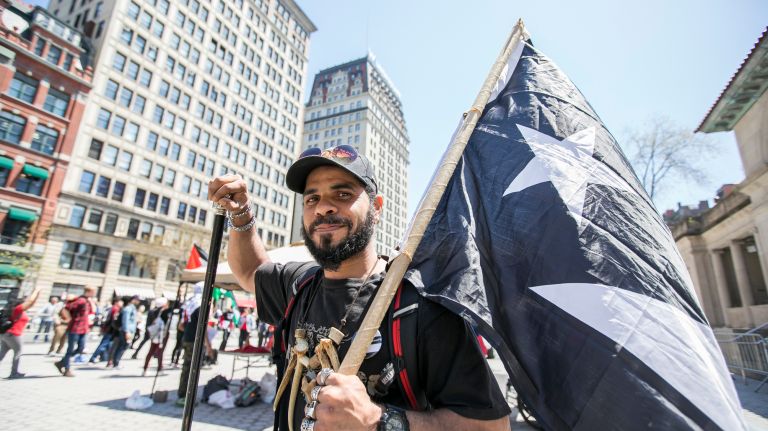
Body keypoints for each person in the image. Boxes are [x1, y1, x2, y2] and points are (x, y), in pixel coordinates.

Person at [209, 145, 511, 431]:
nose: (323, 207)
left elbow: (492, 426)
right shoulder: (298, 284)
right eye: (312, 198)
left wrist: (378, 421)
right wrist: (241, 215)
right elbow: (250, 271)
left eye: (342, 194)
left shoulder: (421, 306)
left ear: (376, 208)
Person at [55, 286, 97, 377]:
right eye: (93, 291)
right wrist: (68, 319)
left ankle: (62, 362)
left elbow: (92, 311)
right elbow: (66, 308)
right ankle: (67, 369)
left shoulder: (86, 300)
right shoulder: (81, 300)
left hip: (83, 328)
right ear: (89, 291)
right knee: (70, 349)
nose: (94, 293)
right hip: (75, 328)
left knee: (80, 349)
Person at [0, 287, 41, 378]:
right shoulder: (18, 309)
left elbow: (31, 303)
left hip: (6, 334)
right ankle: (14, 373)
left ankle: (14, 372)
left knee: (2, 353)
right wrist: (36, 291)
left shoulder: (14, 310)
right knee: (18, 352)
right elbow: (30, 302)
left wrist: (37, 294)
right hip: (14, 334)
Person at [88, 298, 122, 364]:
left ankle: (104, 357)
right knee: (104, 344)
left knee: (107, 344)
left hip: (108, 328)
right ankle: (93, 358)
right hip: (111, 329)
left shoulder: (111, 308)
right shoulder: (115, 309)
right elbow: (114, 320)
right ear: (116, 302)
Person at [142, 297, 170, 376]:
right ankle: (160, 369)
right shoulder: (164, 312)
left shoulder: (152, 311)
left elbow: (148, 324)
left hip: (154, 334)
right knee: (160, 352)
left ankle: (145, 369)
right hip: (161, 334)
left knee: (151, 351)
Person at [111, 295, 139, 368]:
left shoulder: (132, 309)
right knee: (122, 346)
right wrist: (127, 332)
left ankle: (116, 362)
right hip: (125, 331)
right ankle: (116, 363)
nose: (138, 301)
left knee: (122, 346)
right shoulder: (128, 309)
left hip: (128, 331)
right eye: (137, 300)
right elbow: (125, 321)